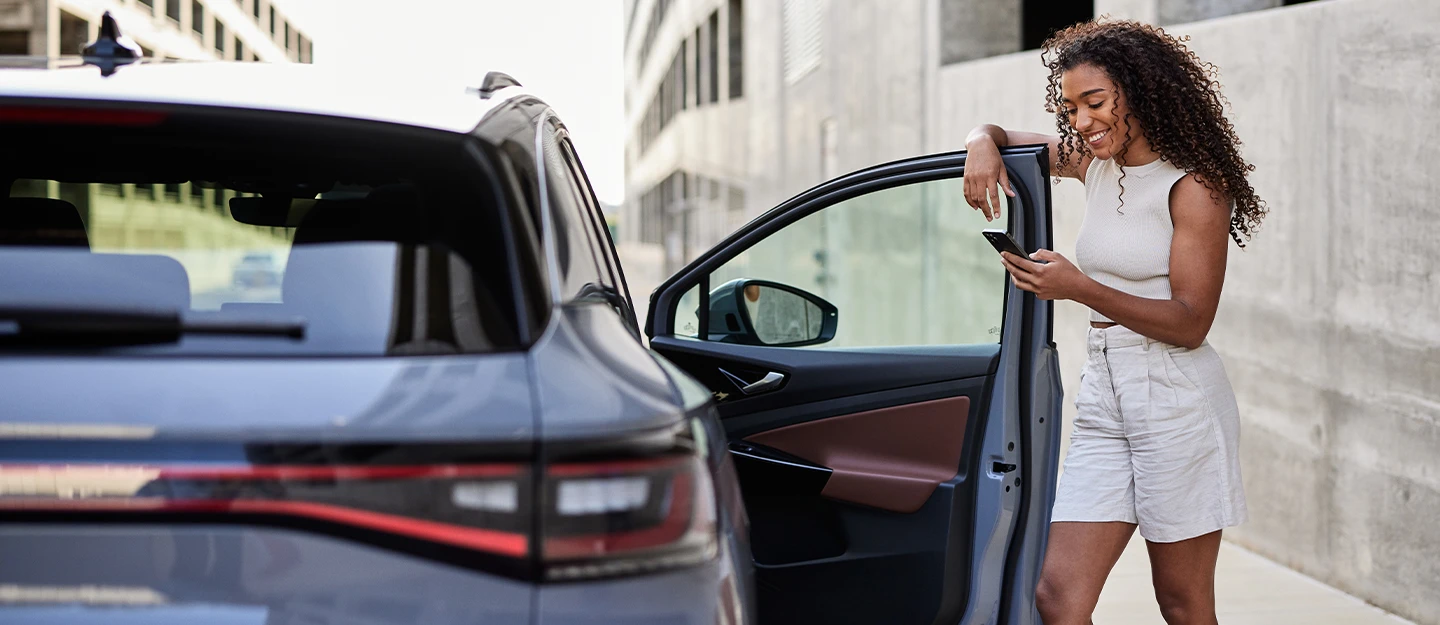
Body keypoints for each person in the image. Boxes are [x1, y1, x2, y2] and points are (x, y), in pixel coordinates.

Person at [962, 18, 1268, 625]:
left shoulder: (1194, 186)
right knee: (1056, 595)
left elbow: (1190, 323)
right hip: (1105, 394)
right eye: (1070, 107)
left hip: (1176, 400)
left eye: (1094, 103)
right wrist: (980, 139)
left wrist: (1079, 288)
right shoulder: (1094, 161)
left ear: (1141, 92)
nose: (1080, 122)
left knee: (1181, 603)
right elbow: (999, 134)